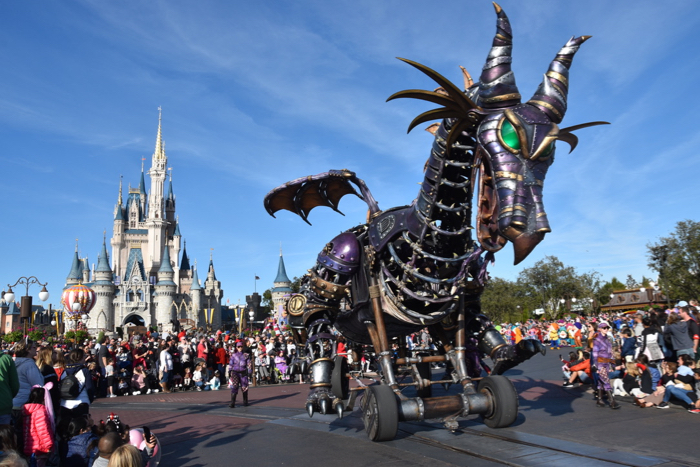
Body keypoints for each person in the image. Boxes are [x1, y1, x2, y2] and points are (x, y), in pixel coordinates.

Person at [592, 322, 620, 409]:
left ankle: (599, 399)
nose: (606, 329)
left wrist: (613, 364)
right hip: (600, 363)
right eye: (604, 328)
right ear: (600, 329)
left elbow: (611, 352)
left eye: (607, 327)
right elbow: (595, 354)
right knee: (606, 381)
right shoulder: (597, 340)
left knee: (601, 382)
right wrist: (596, 366)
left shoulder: (608, 339)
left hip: (607, 363)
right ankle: (612, 401)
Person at [228, 342, 250, 408]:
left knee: (244, 387)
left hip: (243, 372)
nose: (240, 348)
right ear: (236, 348)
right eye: (238, 347)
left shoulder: (246, 355)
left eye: (241, 346)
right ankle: (232, 402)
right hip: (235, 372)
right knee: (235, 386)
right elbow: (231, 363)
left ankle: (245, 401)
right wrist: (229, 371)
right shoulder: (233, 355)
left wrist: (249, 371)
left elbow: (249, 364)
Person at [0, 352, 19, 426]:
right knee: (5, 436)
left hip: (4, 406)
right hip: (4, 406)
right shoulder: (6, 359)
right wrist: (7, 396)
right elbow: (15, 386)